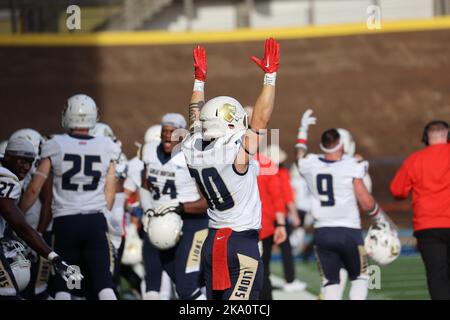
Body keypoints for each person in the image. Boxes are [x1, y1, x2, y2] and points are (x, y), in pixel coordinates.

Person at [181, 38, 279, 300]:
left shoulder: (192, 147)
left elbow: (195, 116)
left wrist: (199, 80)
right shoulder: (235, 152)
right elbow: (260, 119)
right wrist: (270, 77)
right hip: (240, 243)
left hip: (213, 242)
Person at [19, 94, 119, 300]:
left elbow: (34, 189)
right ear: (93, 116)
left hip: (66, 222)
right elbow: (110, 190)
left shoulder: (55, 144)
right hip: (95, 220)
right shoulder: (106, 144)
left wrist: (17, 216)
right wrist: (104, 214)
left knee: (65, 283)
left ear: (68, 115)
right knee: (103, 283)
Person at [296, 110, 384, 300]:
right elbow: (366, 201)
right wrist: (379, 217)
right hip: (349, 231)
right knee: (361, 277)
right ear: (342, 145)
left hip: (322, 233)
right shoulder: (352, 165)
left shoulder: (310, 163)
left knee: (330, 284)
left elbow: (299, 158)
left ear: (322, 146)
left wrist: (302, 132)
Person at [0, 138, 82, 299]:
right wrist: (54, 258)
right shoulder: (6, 178)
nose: (26, 167)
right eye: (21, 161)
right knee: (9, 293)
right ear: (8, 156)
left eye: (30, 162)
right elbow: (18, 223)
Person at [140, 113, 209, 300]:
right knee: (153, 285)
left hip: (191, 226)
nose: (167, 135)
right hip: (158, 223)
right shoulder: (148, 151)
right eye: (165, 131)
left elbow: (207, 202)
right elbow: (145, 185)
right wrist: (148, 210)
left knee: (187, 288)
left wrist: (180, 208)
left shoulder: (193, 156)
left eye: (173, 131)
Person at [390, 120, 450, 300]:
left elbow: (397, 191)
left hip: (428, 227)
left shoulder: (414, 159)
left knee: (436, 277)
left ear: (426, 138)